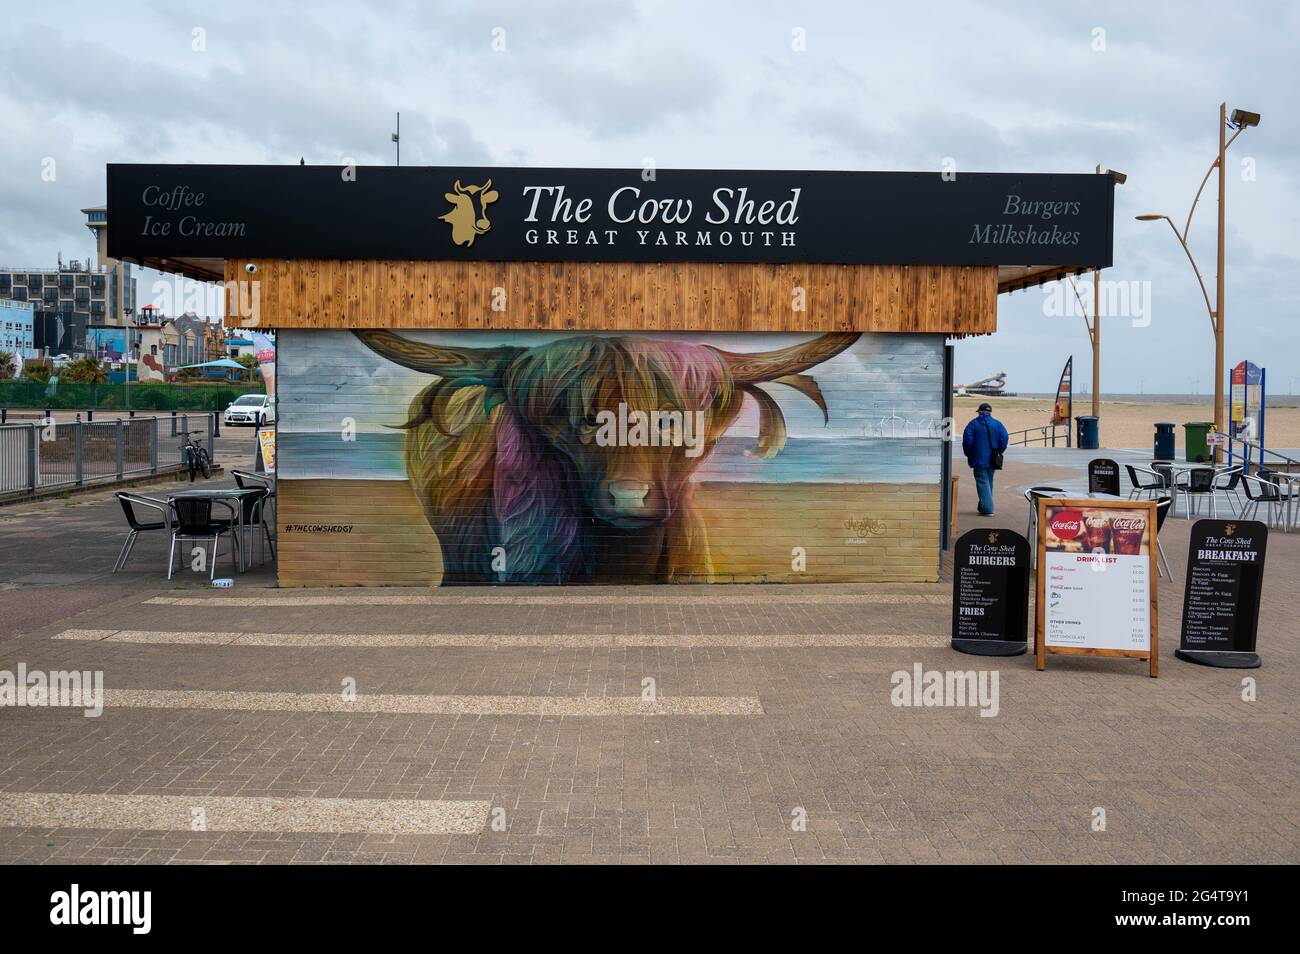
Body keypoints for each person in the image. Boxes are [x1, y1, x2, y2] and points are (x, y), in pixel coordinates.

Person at [962, 402, 1009, 516]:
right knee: (988, 482)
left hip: (978, 458)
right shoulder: (997, 424)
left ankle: (988, 509)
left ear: (980, 412)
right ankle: (983, 506)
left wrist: (969, 453)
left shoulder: (973, 424)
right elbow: (1004, 439)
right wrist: (999, 452)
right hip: (993, 458)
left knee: (982, 482)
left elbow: (967, 441)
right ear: (990, 412)